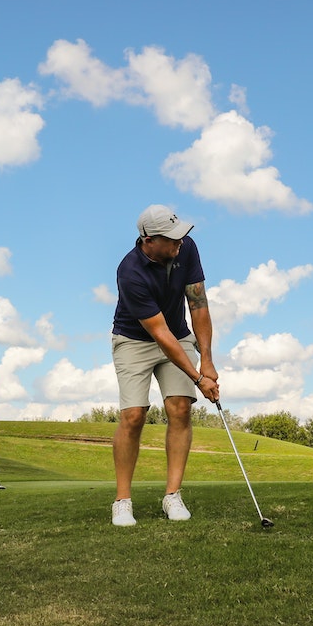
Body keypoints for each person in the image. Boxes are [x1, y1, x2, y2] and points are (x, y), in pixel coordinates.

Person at [110, 205, 220, 526]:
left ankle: (172, 495)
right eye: (171, 239)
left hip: (178, 334)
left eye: (180, 235)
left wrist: (208, 362)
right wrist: (199, 377)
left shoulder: (186, 247)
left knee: (180, 408)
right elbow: (159, 334)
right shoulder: (130, 271)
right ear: (148, 240)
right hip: (134, 340)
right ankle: (122, 500)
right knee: (133, 415)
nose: (180, 243)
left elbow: (198, 306)